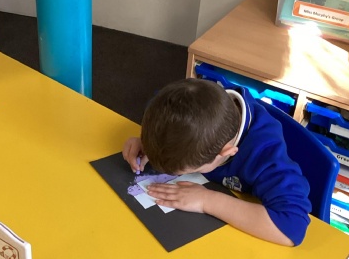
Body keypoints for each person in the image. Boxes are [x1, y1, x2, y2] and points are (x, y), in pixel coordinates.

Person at [122, 78, 311, 246]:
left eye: (187, 170)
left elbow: (292, 226)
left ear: (225, 153)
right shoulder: (191, 99)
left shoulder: (265, 155)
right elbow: (160, 107)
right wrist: (150, 142)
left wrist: (207, 201)